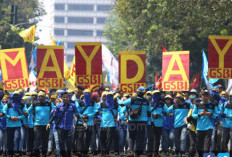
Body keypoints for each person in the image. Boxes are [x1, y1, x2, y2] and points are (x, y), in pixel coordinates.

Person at [46, 92, 87, 157]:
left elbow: (77, 115)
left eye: (66, 97)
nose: (65, 98)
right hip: (61, 129)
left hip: (69, 129)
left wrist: (83, 122)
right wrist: (49, 123)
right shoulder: (58, 106)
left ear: (68, 97)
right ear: (61, 98)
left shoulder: (72, 106)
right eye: (64, 97)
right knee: (61, 145)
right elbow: (54, 116)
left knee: (69, 145)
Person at [117, 86, 150, 157]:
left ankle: (131, 151)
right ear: (144, 93)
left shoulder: (132, 99)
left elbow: (122, 103)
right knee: (140, 137)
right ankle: (137, 152)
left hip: (132, 121)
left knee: (131, 137)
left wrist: (118, 99)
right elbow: (149, 112)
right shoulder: (146, 101)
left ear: (137, 92)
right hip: (142, 122)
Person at [27, 91, 55, 157]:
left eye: (42, 96)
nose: (40, 97)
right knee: (37, 139)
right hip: (37, 124)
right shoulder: (35, 104)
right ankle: (36, 153)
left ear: (44, 97)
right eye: (39, 96)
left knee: (45, 139)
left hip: (46, 124)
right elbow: (28, 111)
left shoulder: (49, 103)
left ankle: (44, 153)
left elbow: (55, 109)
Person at [192, 90, 219, 157]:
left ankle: (205, 155)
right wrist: (199, 115)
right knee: (199, 145)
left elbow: (216, 114)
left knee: (207, 145)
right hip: (199, 127)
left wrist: (210, 114)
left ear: (209, 96)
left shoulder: (213, 104)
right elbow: (193, 115)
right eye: (204, 95)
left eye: (207, 95)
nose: (205, 97)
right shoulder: (197, 105)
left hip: (209, 127)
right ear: (201, 96)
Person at [3, 91, 27, 156]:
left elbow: (25, 114)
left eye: (17, 95)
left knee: (17, 138)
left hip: (18, 125)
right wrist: (10, 117)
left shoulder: (22, 105)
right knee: (10, 139)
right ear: (12, 96)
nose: (15, 97)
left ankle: (15, 151)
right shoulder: (8, 104)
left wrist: (18, 118)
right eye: (14, 95)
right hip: (9, 125)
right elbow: (4, 113)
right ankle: (10, 152)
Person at [75, 89, 97, 157]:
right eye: (85, 93)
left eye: (88, 93)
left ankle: (85, 152)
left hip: (90, 123)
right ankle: (79, 151)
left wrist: (88, 116)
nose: (87, 94)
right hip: (81, 122)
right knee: (80, 137)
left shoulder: (93, 103)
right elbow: (77, 111)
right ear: (83, 94)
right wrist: (83, 117)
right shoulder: (80, 102)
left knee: (88, 138)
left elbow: (95, 111)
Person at [147, 90, 168, 157]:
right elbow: (147, 112)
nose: (157, 95)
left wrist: (159, 115)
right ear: (153, 95)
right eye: (155, 94)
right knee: (150, 138)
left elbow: (166, 112)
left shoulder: (162, 104)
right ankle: (150, 152)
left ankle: (156, 152)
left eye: (158, 94)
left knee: (157, 138)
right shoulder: (150, 103)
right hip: (151, 123)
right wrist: (152, 115)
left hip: (159, 123)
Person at [218, 92, 232, 156]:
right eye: (231, 96)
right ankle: (223, 153)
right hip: (224, 125)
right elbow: (219, 109)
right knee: (223, 140)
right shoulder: (224, 104)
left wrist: (226, 115)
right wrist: (220, 112)